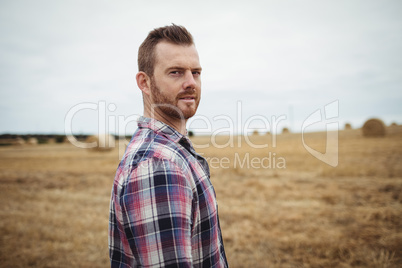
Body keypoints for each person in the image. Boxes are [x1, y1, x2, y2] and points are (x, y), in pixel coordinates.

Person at [109, 24, 229, 267]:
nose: (191, 83)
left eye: (195, 72)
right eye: (176, 72)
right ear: (144, 82)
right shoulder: (158, 165)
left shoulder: (169, 150)